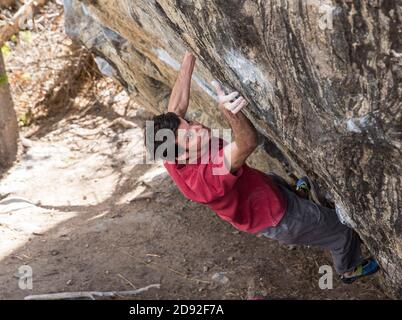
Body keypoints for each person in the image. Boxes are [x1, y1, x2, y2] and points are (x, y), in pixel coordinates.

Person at [145, 51, 379, 283]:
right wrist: (231, 114)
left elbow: (175, 109)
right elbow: (247, 144)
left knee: (273, 180)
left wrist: (189, 56)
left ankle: (299, 195)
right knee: (343, 230)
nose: (198, 128)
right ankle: (348, 269)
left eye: (190, 123)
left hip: (257, 188)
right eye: (189, 137)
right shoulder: (207, 178)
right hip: (279, 216)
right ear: (184, 156)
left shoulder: (170, 148)